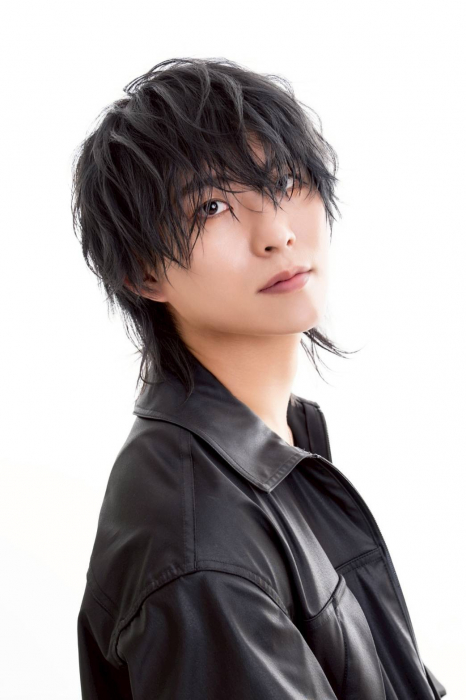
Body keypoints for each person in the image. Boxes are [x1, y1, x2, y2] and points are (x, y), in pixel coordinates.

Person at [72, 57, 447, 699]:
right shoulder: (200, 542)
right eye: (213, 206)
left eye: (287, 180)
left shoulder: (270, 448)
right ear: (143, 273)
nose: (276, 233)